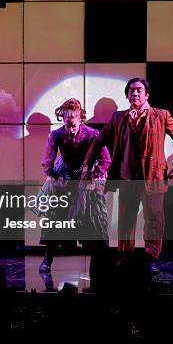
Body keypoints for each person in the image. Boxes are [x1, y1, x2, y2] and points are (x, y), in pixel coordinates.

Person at [83, 78, 173, 275]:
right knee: (126, 220)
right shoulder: (118, 117)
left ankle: (151, 258)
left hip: (153, 176)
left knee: (154, 219)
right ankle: (125, 258)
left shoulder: (161, 115)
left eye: (139, 90)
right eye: (131, 90)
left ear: (147, 94)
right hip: (127, 177)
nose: (135, 94)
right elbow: (98, 141)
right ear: (127, 95)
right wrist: (87, 167)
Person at [38, 98, 111, 273]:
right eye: (67, 125)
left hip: (87, 178)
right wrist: (55, 177)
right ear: (63, 119)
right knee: (56, 219)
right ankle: (48, 259)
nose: (70, 130)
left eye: (73, 125)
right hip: (66, 177)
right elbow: (47, 161)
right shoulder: (56, 135)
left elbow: (105, 159)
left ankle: (101, 263)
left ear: (80, 120)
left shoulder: (92, 134)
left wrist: (93, 175)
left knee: (94, 220)